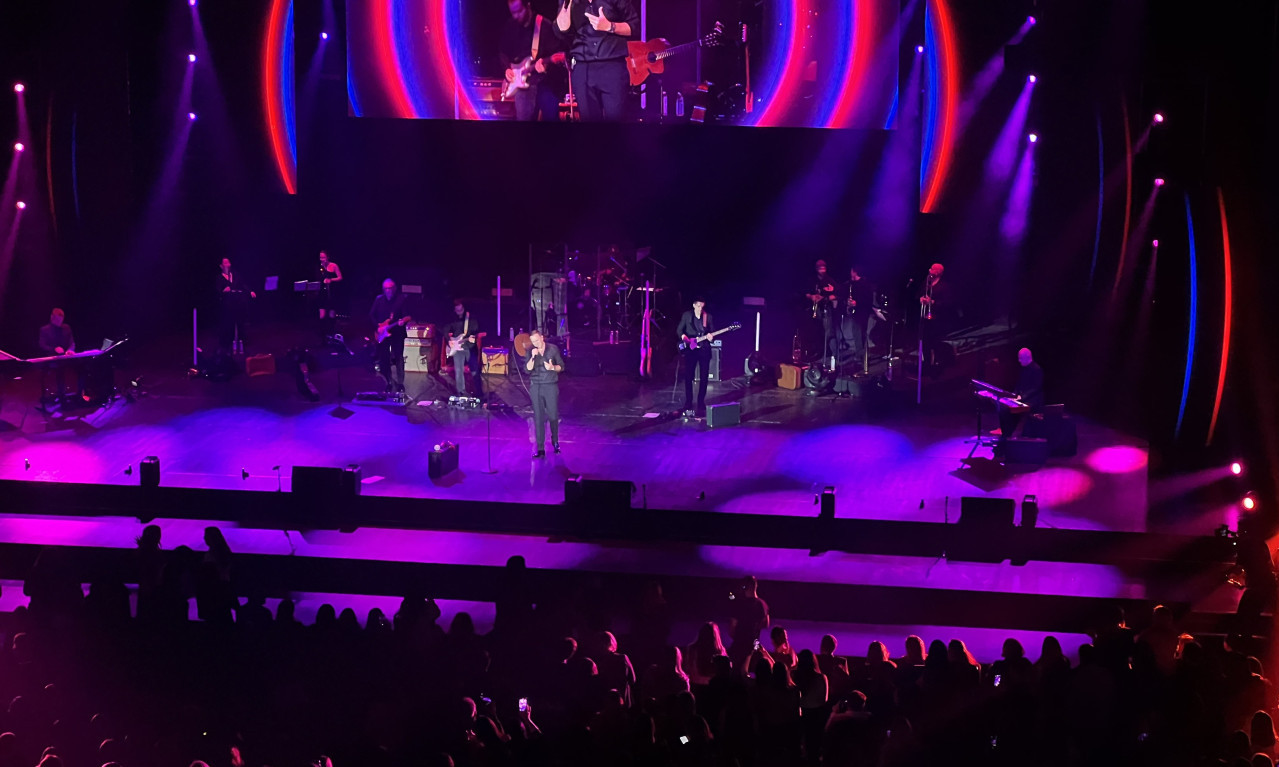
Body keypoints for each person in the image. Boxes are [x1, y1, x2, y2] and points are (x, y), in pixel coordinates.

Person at [553, 0, 638, 121]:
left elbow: (635, 26)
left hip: (612, 67)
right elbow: (560, 31)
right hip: (583, 69)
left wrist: (610, 26)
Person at [500, 0, 567, 121]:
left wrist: (546, 66)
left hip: (545, 83)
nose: (516, 16)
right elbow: (503, 53)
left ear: (528, 5)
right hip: (522, 87)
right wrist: (506, 69)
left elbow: (556, 53)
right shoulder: (511, 25)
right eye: (513, 13)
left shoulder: (544, 25)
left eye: (519, 11)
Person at [522, 329, 564, 458]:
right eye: (532, 341)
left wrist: (552, 368)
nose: (535, 343)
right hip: (536, 386)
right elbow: (527, 370)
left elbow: (561, 366)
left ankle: (555, 442)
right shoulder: (530, 351)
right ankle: (540, 448)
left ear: (542, 337)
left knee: (553, 416)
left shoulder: (553, 349)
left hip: (550, 386)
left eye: (536, 340)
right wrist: (533, 357)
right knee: (538, 417)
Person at [369, 278, 412, 393]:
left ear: (394, 288)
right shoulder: (379, 299)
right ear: (384, 289)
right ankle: (387, 382)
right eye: (386, 288)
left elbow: (407, 315)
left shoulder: (401, 299)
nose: (388, 291)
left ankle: (401, 383)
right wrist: (378, 327)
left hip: (397, 332)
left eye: (390, 288)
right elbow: (372, 315)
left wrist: (403, 321)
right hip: (383, 333)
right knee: (384, 358)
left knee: (398, 357)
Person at [676, 297, 713, 416]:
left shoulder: (708, 317)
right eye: (698, 306)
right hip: (691, 350)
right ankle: (688, 401)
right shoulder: (687, 315)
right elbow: (679, 330)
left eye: (702, 306)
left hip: (704, 350)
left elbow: (712, 331)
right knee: (689, 376)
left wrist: (711, 336)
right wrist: (685, 339)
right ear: (694, 305)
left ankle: (701, 401)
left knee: (704, 377)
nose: (700, 309)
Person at [997, 347, 1045, 441]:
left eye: (1020, 358)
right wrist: (1013, 395)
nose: (1019, 360)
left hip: (1032, 400)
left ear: (1027, 357)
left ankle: (1008, 435)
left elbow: (1036, 388)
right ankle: (1006, 434)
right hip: (1023, 399)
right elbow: (1019, 385)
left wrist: (1021, 397)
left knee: (1011, 412)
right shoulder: (1023, 369)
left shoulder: (1037, 370)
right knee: (1004, 409)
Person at [37, 308, 79, 403]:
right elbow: (42, 345)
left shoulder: (66, 327)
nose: (58, 322)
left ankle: (79, 394)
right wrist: (54, 349)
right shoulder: (44, 329)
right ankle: (61, 396)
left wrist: (70, 350)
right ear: (52, 317)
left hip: (66, 357)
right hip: (52, 359)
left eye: (60, 320)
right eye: (56, 320)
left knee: (82, 366)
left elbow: (72, 342)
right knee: (60, 370)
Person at [444, 300, 484, 399]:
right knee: (458, 371)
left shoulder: (471, 318)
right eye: (457, 310)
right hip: (458, 349)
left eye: (460, 309)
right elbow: (445, 329)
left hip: (469, 348)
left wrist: (472, 337)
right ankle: (460, 392)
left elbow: (476, 331)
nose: (459, 312)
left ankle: (479, 393)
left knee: (474, 371)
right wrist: (449, 340)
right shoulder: (452, 318)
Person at [217, 258, 256, 352]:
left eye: (228, 262)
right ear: (221, 266)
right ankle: (228, 343)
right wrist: (223, 291)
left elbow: (243, 285)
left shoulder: (235, 275)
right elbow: (217, 291)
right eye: (225, 263)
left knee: (240, 322)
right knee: (229, 323)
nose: (227, 264)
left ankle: (242, 341)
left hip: (238, 302)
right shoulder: (219, 278)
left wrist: (250, 291)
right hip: (227, 304)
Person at [840, 266, 874, 374]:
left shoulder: (865, 284)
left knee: (860, 334)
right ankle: (861, 356)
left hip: (863, 312)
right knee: (857, 333)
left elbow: (868, 300)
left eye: (851, 271)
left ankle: (861, 357)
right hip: (855, 312)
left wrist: (857, 303)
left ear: (854, 272)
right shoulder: (851, 284)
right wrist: (848, 302)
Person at [917, 262, 951, 367]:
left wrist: (932, 302)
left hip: (938, 317)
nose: (930, 270)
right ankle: (926, 361)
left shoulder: (944, 286)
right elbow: (919, 293)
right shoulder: (927, 282)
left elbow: (947, 302)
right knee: (925, 339)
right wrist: (921, 298)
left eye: (933, 269)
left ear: (939, 272)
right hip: (926, 316)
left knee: (935, 340)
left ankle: (936, 361)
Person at [805, 260, 838, 366]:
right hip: (815, 309)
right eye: (820, 268)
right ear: (816, 269)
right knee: (817, 332)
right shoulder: (812, 280)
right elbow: (806, 293)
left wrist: (825, 298)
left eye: (824, 267)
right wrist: (812, 297)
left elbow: (836, 294)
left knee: (829, 332)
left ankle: (834, 354)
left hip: (826, 308)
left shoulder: (830, 281)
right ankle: (818, 352)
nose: (822, 270)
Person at [317, 251, 343, 336]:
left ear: (328, 257)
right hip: (322, 293)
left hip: (332, 292)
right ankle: (323, 336)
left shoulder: (334, 265)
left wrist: (331, 280)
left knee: (331, 314)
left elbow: (340, 277)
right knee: (322, 315)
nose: (322, 259)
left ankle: (332, 335)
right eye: (321, 257)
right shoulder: (320, 267)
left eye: (323, 257)